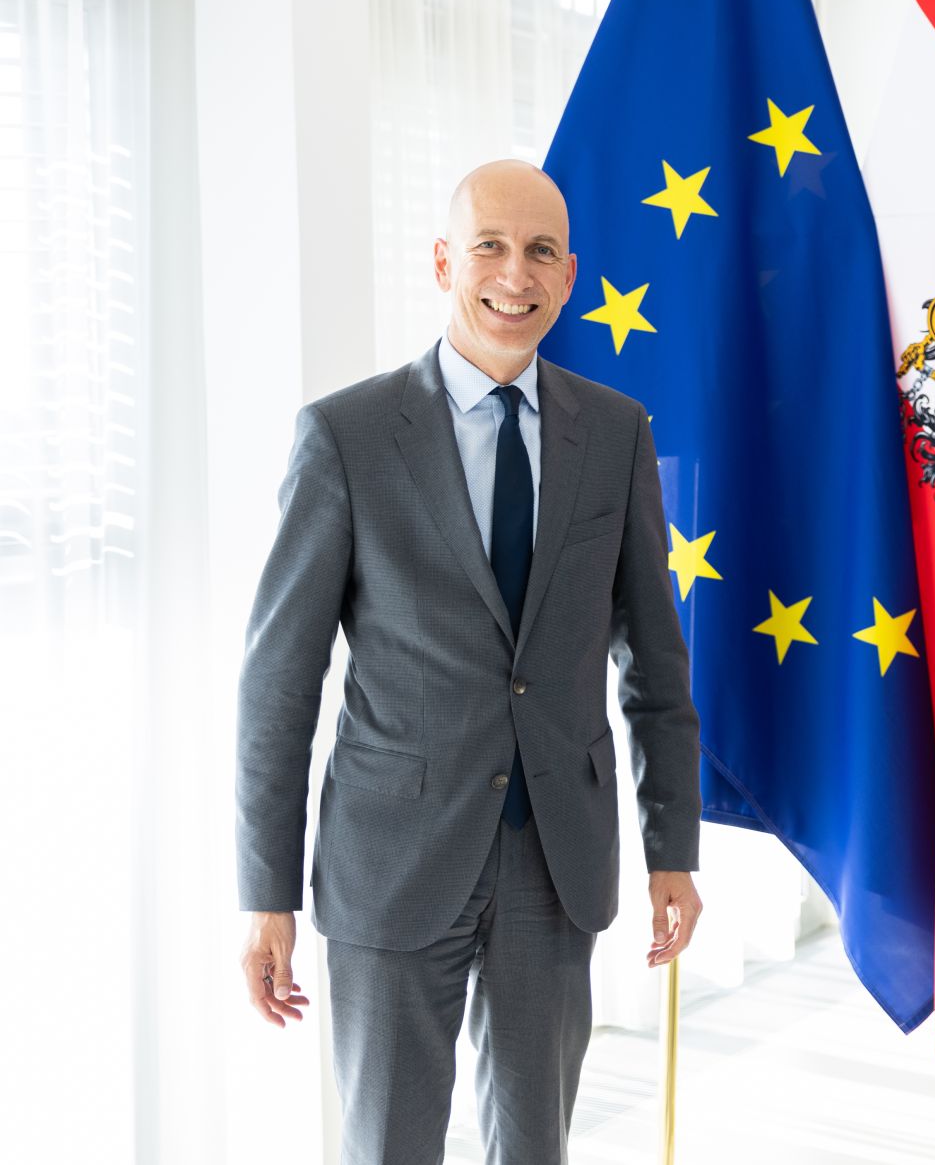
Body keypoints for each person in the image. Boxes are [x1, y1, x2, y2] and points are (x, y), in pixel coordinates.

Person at [235, 159, 704, 1164]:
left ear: (569, 274)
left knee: (532, 1147)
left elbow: (656, 663)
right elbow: (278, 683)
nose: (513, 273)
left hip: (554, 861)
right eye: (489, 245)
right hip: (390, 863)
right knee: (389, 1148)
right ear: (445, 259)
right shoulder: (345, 437)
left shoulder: (614, 434)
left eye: (539, 251)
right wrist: (265, 891)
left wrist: (674, 846)